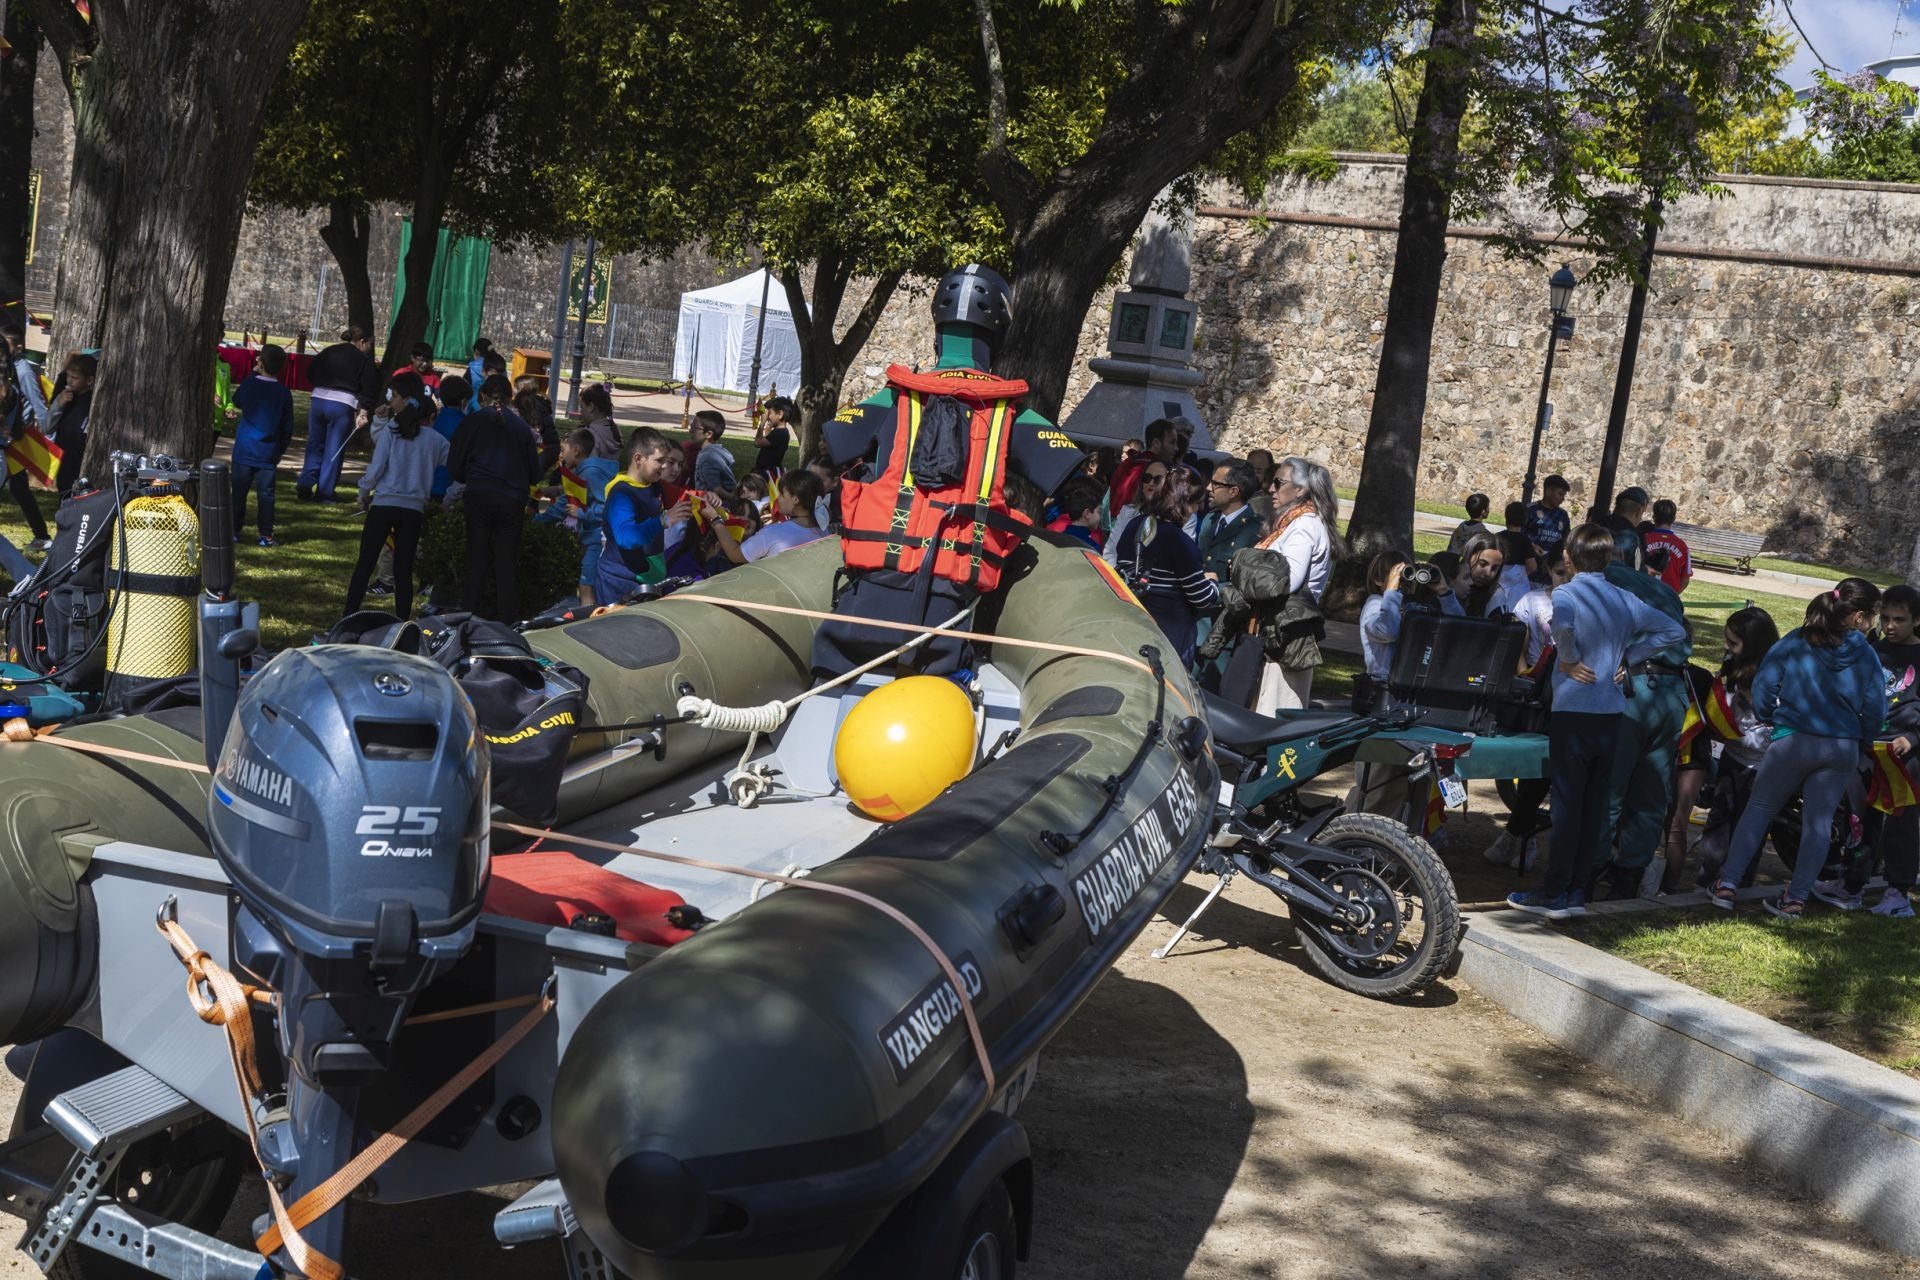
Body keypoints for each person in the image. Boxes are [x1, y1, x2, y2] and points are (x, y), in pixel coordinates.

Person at [1507, 524, 1686, 921]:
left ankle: (1557, 891)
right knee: (1594, 806)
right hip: (1611, 713)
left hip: (1575, 712)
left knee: (1569, 807)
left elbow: (1562, 626)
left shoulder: (1568, 592)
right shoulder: (1623, 596)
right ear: (1609, 558)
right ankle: (1574, 893)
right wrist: (1630, 657)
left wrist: (1568, 659)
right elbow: (1672, 630)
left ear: (1569, 555)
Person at [1710, 579, 1887, 919]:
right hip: (1841, 746)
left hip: (1793, 739)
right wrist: (1861, 739)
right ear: (1860, 617)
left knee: (1759, 809)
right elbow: (1875, 708)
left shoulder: (1797, 640)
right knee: (1818, 823)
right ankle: (1796, 898)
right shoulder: (1866, 653)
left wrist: (1770, 716)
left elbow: (1764, 684)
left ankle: (1727, 884)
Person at [1595, 528, 1692, 899]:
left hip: (1630, 691)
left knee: (1610, 789)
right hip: (1670, 695)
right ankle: (1628, 876)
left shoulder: (1603, 578)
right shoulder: (1666, 591)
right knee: (1652, 791)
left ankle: (1591, 870)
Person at [1814, 584, 1920, 915]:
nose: (1890, 626)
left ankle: (1897, 892)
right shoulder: (1872, 647)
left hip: (1905, 753)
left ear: (1917, 620)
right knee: (1860, 820)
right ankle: (1852, 883)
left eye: (1899, 619)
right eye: (1885, 618)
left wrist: (1912, 739)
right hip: (1866, 747)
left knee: (1901, 824)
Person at [1483, 548, 1572, 872]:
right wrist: (1526, 681)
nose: (1564, 578)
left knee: (1541, 769)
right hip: (1532, 687)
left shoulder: (1578, 605)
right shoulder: (1532, 602)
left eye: (1569, 572)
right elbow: (1519, 648)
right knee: (1522, 763)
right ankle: (1520, 834)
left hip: (1565, 690)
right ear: (1549, 570)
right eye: (1559, 572)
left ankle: (1518, 835)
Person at [1686, 608, 1780, 893]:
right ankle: (1710, 876)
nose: (1727, 647)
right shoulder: (1734, 667)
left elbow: (1772, 724)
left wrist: (1739, 735)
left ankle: (1739, 878)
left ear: (1753, 645)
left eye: (1733, 642)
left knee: (1749, 824)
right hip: (1734, 756)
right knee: (1720, 819)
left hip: (1761, 764)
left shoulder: (1772, 678)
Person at [344, 373, 446, 620]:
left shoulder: (392, 431)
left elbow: (377, 467)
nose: (391, 400)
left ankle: (347, 617)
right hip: (413, 510)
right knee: (403, 570)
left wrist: (364, 490)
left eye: (394, 396)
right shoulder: (435, 440)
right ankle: (402, 621)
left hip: (384, 504)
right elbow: (455, 466)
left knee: (365, 565)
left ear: (406, 399)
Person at [448, 373, 541, 621]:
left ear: (482, 397)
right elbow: (535, 473)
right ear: (511, 399)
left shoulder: (472, 422)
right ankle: (507, 622)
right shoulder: (522, 428)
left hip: (479, 494)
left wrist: (470, 477)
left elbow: (454, 464)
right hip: (511, 499)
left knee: (476, 561)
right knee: (505, 565)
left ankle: (466, 617)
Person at [1256, 456, 1342, 713]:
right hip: (1282, 630)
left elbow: (1288, 580)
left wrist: (1247, 574)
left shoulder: (1304, 525)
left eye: (1279, 482)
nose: (1271, 488)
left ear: (1301, 490)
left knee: (1272, 711)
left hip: (1285, 635)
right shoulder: (1299, 522)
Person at [1112, 466, 1218, 666]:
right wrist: (1212, 583)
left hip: (1133, 621)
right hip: (1168, 634)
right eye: (1195, 504)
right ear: (1183, 503)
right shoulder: (1178, 540)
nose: (1195, 510)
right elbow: (1201, 598)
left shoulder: (1134, 525)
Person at [596, 427, 693, 604]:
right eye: (659, 461)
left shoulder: (654, 484)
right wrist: (664, 520)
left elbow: (686, 495)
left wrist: (707, 496)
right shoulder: (621, 493)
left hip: (646, 581)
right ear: (639, 459)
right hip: (620, 584)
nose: (664, 466)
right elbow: (625, 537)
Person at [297, 327, 379, 502]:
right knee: (334, 449)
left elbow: (310, 373)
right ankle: (325, 492)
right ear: (362, 342)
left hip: (318, 400)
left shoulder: (329, 351)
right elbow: (368, 388)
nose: (369, 349)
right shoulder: (364, 360)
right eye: (370, 344)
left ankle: (305, 482)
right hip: (342, 405)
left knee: (314, 444)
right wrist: (363, 411)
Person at [540, 427, 619, 607]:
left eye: (563, 450)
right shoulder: (584, 471)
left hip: (598, 539)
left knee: (586, 587)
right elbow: (565, 503)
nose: (560, 455)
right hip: (591, 537)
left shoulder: (590, 473)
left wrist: (582, 513)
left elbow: (606, 506)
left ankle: (587, 624)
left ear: (576, 450)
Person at [229, 344, 295, 548]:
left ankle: (233, 531)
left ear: (261, 363)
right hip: (268, 452)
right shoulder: (283, 393)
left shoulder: (250, 384)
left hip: (245, 449)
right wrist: (281, 449)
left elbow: (237, 400)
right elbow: (287, 426)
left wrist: (251, 374)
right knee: (266, 495)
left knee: (238, 492)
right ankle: (265, 535)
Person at [1, 322, 51, 547]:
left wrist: (48, 438)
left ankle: (42, 535)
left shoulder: (22, 371)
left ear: (17, 348)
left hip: (15, 439)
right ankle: (41, 535)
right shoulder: (10, 370)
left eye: (6, 348)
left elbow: (37, 405)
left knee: (19, 489)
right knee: (18, 489)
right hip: (9, 438)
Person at [715, 469, 827, 564]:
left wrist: (715, 521)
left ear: (795, 499)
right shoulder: (825, 530)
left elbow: (735, 555)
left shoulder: (774, 533)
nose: (778, 497)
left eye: (782, 494)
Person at [1197, 460, 1263, 580]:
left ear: (1233, 491)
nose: (1208, 488)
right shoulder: (1210, 518)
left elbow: (1247, 582)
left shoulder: (1255, 529)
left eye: (1215, 484)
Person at [1107, 418, 1181, 516]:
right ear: (1156, 443)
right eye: (1172, 442)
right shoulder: (1151, 469)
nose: (1176, 448)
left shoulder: (1127, 464)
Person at [1104, 461, 1168, 566]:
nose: (1151, 483)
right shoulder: (1127, 511)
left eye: (1158, 480)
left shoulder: (1177, 517)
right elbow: (1110, 551)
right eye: (1147, 478)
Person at [427, 375, 468, 502]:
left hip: (427, 482)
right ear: (464, 402)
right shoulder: (467, 424)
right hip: (452, 485)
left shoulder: (433, 420)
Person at [1451, 533, 1511, 619]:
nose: (1488, 573)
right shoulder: (1446, 581)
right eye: (1482, 564)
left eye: (1494, 568)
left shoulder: (1496, 596)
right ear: (1468, 556)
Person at [1642, 499, 1693, 596]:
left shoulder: (1643, 539)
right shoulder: (1682, 546)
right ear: (1674, 519)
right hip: (1667, 599)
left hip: (1644, 595)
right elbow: (1685, 579)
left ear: (1654, 517)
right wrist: (1672, 596)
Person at [1523, 474, 1572, 571]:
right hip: (1529, 570)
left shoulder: (1563, 515)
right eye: (1560, 494)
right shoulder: (1530, 510)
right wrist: (1531, 546)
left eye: (1564, 495)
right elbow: (1518, 534)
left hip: (1551, 573)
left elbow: (1567, 540)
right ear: (1549, 491)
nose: (1562, 499)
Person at [1052, 476, 1106, 550]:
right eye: (1099, 512)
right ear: (1087, 513)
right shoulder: (1092, 547)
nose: (1101, 516)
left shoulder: (1059, 528)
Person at [691, 409, 736, 492]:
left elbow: (716, 489)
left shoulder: (707, 457)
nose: (690, 431)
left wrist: (733, 499)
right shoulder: (721, 451)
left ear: (708, 434)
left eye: (694, 428)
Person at [752, 395, 797, 476]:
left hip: (767, 474)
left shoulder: (780, 433)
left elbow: (757, 442)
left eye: (770, 413)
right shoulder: (781, 432)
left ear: (780, 414)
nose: (768, 416)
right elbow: (769, 442)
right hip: (768, 471)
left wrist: (763, 422)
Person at [577, 384, 622, 461]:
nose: (580, 411)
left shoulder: (589, 434)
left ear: (591, 407)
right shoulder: (614, 430)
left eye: (581, 406)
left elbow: (585, 465)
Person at [466, 338, 494, 405]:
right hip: (496, 406)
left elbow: (464, 388)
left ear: (476, 352)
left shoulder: (472, 368)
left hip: (475, 406)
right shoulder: (499, 365)